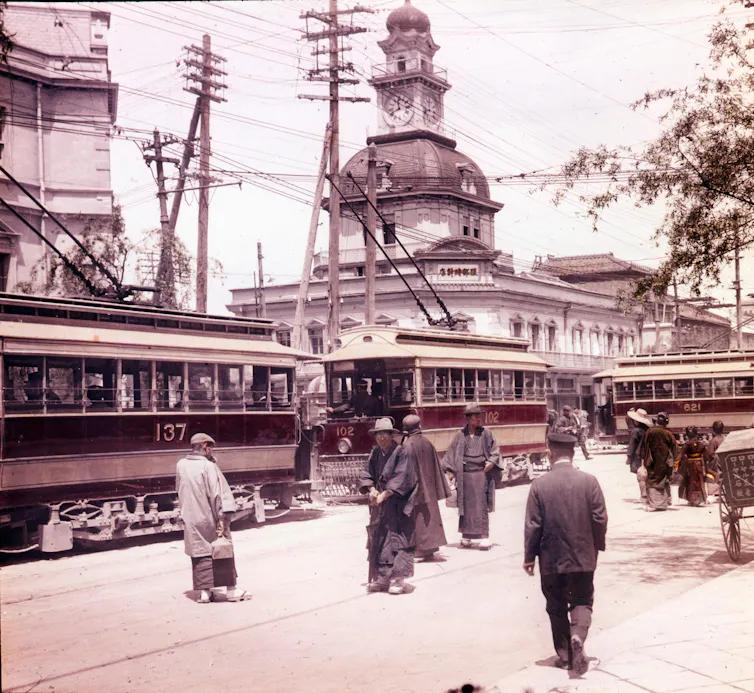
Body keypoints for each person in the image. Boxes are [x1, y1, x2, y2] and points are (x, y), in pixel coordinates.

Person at [524, 432, 608, 676]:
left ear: (550, 453)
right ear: (573, 453)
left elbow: (533, 525)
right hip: (583, 557)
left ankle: (565, 657)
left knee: (556, 605)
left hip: (551, 560)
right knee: (582, 600)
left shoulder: (539, 485)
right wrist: (595, 548)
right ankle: (578, 635)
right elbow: (600, 518)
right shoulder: (589, 481)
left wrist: (529, 557)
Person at [176, 433, 249, 603]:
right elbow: (219, 495)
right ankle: (231, 591)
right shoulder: (208, 467)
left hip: (191, 517)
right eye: (210, 448)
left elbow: (179, 489)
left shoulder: (181, 465)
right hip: (210, 517)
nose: (212, 451)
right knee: (222, 549)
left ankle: (204, 593)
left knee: (199, 553)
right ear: (204, 447)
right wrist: (223, 519)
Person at [358, 418, 418, 595]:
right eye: (378, 434)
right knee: (380, 538)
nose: (382, 438)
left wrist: (385, 494)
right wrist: (371, 489)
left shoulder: (401, 452)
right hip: (381, 504)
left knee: (399, 540)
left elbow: (403, 477)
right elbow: (366, 473)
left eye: (385, 434)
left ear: (392, 435)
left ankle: (398, 579)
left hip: (398, 502)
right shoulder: (375, 453)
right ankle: (382, 577)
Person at [443, 403, 501, 550]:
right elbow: (450, 455)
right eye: (475, 416)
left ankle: (484, 537)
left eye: (479, 415)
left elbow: (495, 450)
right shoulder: (460, 435)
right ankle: (466, 536)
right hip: (465, 475)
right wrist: (450, 471)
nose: (478, 418)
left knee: (481, 505)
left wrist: (491, 462)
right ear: (468, 418)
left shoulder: (486, 433)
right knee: (465, 506)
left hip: (481, 473)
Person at [396, 414, 451, 561]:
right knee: (429, 518)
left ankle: (419, 551)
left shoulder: (407, 446)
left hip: (415, 489)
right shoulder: (427, 442)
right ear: (419, 427)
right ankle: (431, 549)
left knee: (418, 520)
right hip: (429, 488)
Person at [638, 411, 678, 512]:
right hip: (664, 462)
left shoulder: (649, 432)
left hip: (651, 461)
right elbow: (675, 449)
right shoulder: (668, 433)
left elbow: (643, 448)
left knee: (651, 481)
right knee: (664, 481)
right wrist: (674, 462)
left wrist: (643, 463)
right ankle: (663, 503)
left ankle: (653, 504)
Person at [677, 426, 711, 507]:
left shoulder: (686, 445)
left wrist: (678, 464)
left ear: (687, 435)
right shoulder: (701, 444)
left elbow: (680, 455)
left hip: (690, 465)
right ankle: (699, 499)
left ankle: (692, 499)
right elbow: (707, 457)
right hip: (699, 464)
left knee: (690, 482)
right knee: (699, 481)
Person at [626, 408, 652, 502]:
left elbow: (632, 445)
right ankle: (648, 495)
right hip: (648, 454)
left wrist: (629, 457)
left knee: (640, 476)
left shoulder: (635, 431)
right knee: (646, 475)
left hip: (638, 456)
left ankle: (643, 496)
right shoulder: (648, 430)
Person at [705, 421, 725, 496]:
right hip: (724, 461)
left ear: (713, 429)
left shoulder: (713, 441)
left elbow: (710, 453)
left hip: (717, 463)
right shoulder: (725, 439)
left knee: (715, 476)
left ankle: (716, 492)